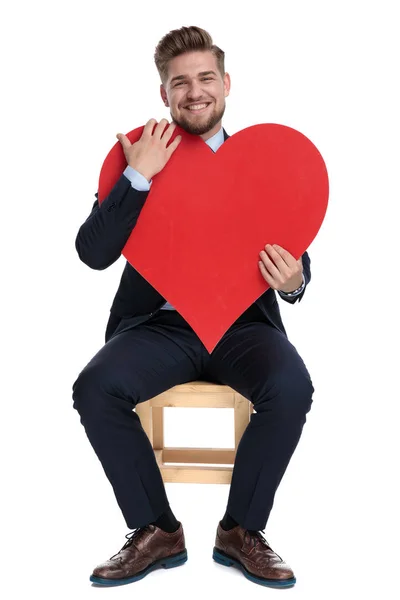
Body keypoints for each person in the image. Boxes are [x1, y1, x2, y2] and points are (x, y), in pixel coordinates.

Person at [72, 25, 314, 589]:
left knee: (292, 386)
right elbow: (93, 253)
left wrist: (296, 282)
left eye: (206, 78)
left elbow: (298, 240)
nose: (194, 91)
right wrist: (138, 178)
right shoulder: (138, 156)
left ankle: (241, 531)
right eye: (179, 82)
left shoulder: (261, 161)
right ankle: (156, 531)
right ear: (164, 94)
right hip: (162, 328)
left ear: (226, 84)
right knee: (94, 387)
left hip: (241, 328)